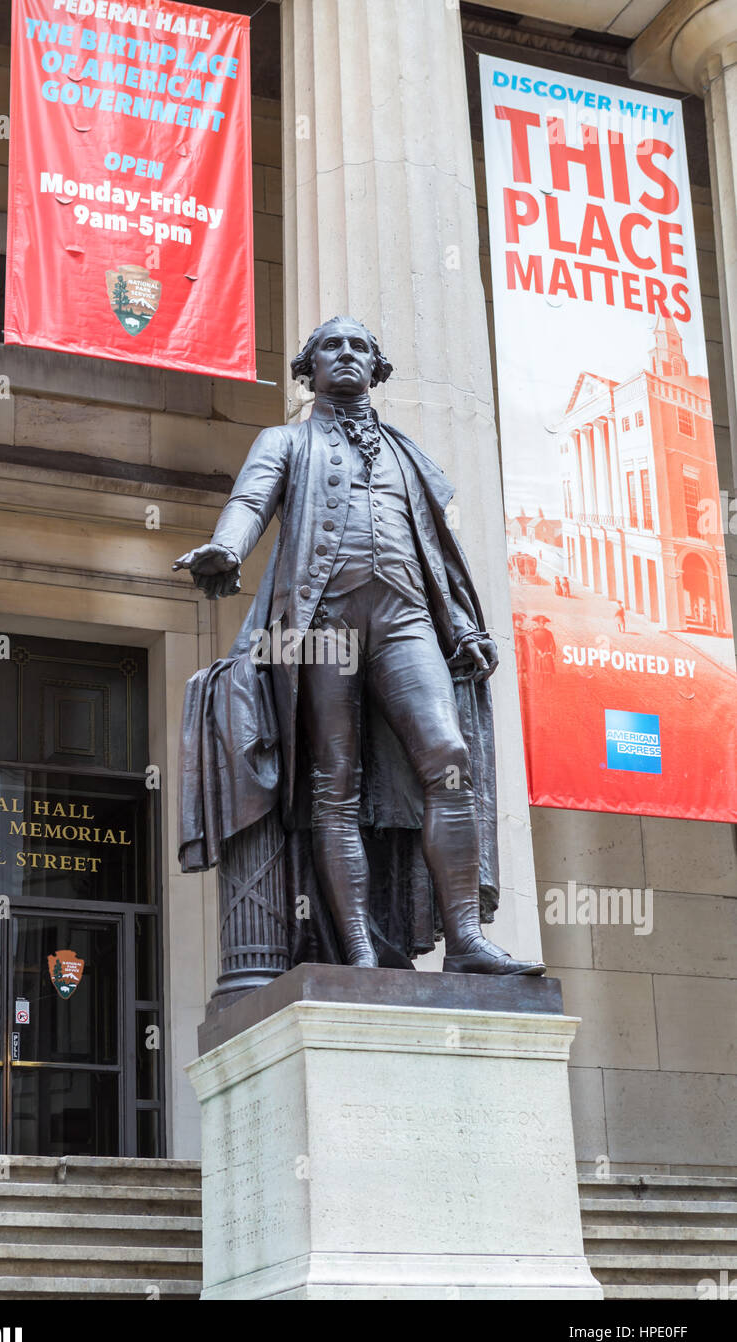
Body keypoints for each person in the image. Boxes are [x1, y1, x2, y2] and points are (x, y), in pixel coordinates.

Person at [175, 317, 544, 976]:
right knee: (335, 785)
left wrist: (460, 625)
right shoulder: (284, 440)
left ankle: (465, 938)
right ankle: (362, 952)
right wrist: (227, 548)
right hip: (322, 625)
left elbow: (436, 551)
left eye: (359, 347)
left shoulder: (407, 455)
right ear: (307, 369)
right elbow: (251, 501)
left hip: (404, 619)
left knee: (448, 755)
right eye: (330, 347)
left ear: (377, 368)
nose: (345, 355)